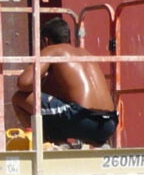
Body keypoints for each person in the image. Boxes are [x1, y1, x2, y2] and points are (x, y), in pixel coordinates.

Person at [14, 16, 119, 146]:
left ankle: (51, 145)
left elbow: (23, 83)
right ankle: (96, 145)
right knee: (57, 107)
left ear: (45, 40)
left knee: (19, 98)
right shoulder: (85, 53)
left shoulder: (53, 50)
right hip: (109, 123)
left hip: (82, 118)